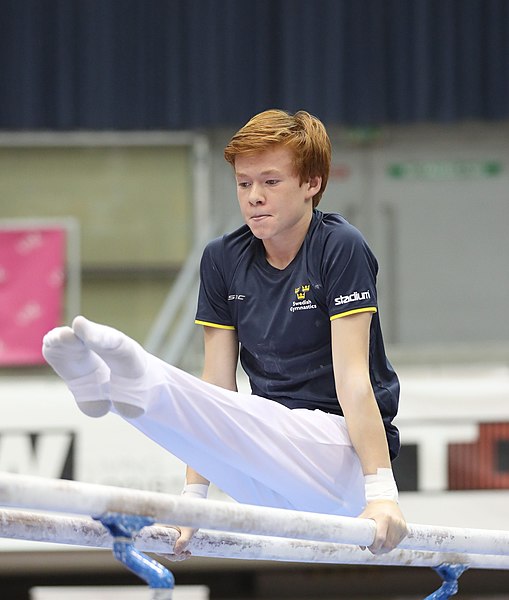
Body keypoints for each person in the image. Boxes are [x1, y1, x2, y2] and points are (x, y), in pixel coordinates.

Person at [42, 109, 407, 561]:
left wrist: (383, 493)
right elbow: (216, 389)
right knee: (228, 415)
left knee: (250, 419)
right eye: (244, 183)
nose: (254, 197)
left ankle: (134, 379)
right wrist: (192, 503)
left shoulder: (339, 246)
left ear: (312, 183)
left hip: (343, 461)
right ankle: (110, 391)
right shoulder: (223, 259)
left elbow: (354, 380)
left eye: (270, 182)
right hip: (264, 469)